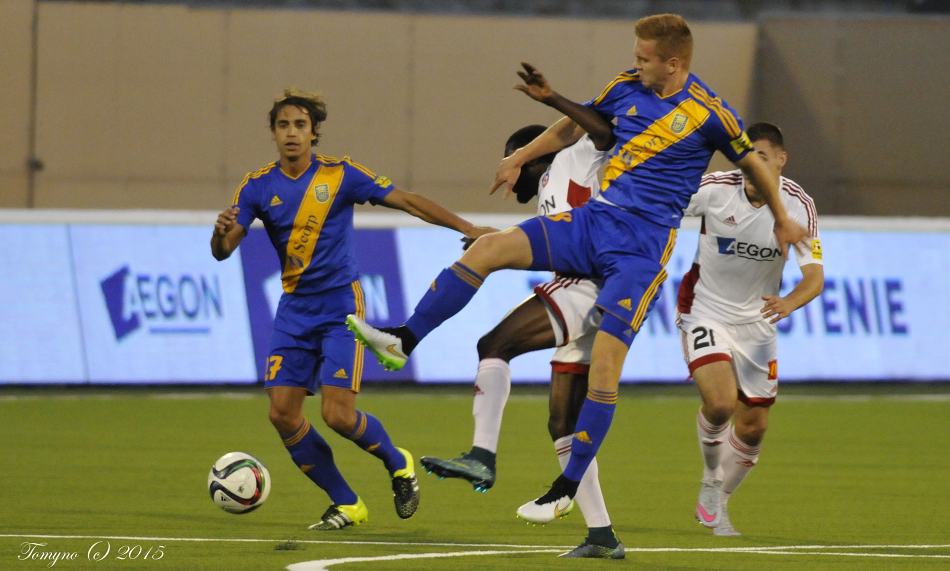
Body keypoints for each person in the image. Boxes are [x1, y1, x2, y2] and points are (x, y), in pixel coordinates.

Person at [347, 13, 809, 530]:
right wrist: (522, 154)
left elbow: (751, 164)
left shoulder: (712, 112)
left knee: (603, 370)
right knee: (489, 249)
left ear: (673, 63)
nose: (635, 64)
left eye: (644, 58)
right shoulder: (626, 86)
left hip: (639, 252)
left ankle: (565, 489)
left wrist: (782, 218)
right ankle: (404, 339)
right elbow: (575, 125)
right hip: (594, 222)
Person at [210, 89, 493, 530]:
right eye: (283, 125)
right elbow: (224, 250)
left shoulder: (341, 175)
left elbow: (408, 200)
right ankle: (346, 503)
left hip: (341, 306)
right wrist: (219, 233)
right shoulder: (257, 186)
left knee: (337, 415)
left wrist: (468, 227)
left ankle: (398, 462)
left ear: (314, 132)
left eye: (300, 125)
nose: (291, 133)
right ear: (273, 133)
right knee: (282, 413)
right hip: (294, 310)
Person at [419, 123, 625, 558]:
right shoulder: (551, 189)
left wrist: (554, 102)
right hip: (589, 289)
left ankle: (482, 455)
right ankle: (602, 535)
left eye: (515, 161)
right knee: (563, 423)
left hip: (590, 285)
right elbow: (549, 235)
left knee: (495, 345)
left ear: (533, 159)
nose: (511, 179)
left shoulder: (578, 156)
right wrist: (495, 238)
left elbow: (594, 127)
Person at [677, 122, 823, 536]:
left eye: (760, 156)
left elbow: (814, 277)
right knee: (721, 403)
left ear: (780, 160)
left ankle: (718, 502)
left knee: (754, 427)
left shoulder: (798, 205)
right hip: (704, 309)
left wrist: (788, 302)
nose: (750, 166)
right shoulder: (714, 190)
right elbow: (662, 204)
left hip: (757, 324)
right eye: (744, 158)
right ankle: (711, 477)